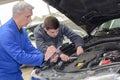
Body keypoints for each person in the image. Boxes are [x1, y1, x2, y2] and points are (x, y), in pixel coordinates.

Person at [0, 1, 57, 80]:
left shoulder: (22, 31)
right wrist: (43, 57)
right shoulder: (6, 33)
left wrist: (47, 57)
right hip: (3, 75)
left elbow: (30, 49)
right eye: (27, 17)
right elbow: (20, 56)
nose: (30, 20)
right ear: (17, 15)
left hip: (16, 73)